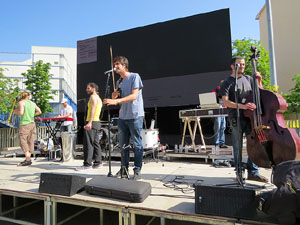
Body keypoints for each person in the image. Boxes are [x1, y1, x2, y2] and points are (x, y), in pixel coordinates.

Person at [219, 56, 268, 183]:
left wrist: (259, 80)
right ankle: (239, 173)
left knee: (255, 144)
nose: (242, 66)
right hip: (236, 117)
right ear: (232, 66)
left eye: (243, 64)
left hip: (251, 117)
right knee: (237, 146)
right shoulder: (227, 82)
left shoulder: (249, 79)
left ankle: (253, 172)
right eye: (239, 64)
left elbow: (260, 93)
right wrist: (243, 106)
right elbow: (226, 102)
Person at [103, 56, 144, 180]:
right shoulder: (119, 81)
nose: (115, 66)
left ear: (124, 65)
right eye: (114, 64)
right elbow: (116, 98)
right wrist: (114, 96)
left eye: (117, 64)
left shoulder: (134, 77)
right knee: (123, 144)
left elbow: (134, 96)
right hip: (123, 116)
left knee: (137, 144)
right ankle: (123, 168)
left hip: (135, 115)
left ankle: (137, 169)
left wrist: (116, 101)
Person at [76, 83, 102, 170]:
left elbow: (93, 110)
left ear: (93, 88)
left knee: (88, 144)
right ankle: (98, 163)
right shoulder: (98, 98)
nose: (86, 89)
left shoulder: (93, 97)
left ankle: (87, 164)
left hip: (92, 121)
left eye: (88, 88)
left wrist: (89, 122)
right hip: (96, 122)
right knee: (95, 143)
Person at [14, 91, 42, 166]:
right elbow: (39, 111)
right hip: (32, 124)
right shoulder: (32, 103)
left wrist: (15, 111)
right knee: (30, 141)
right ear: (28, 96)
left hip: (24, 124)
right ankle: (28, 157)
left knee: (22, 141)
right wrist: (32, 114)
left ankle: (28, 159)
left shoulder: (21, 102)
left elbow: (21, 113)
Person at [212, 80, 228, 149]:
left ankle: (222, 142)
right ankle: (217, 143)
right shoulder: (216, 91)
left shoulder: (225, 91)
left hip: (223, 110)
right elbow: (211, 97)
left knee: (223, 126)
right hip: (217, 110)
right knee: (217, 126)